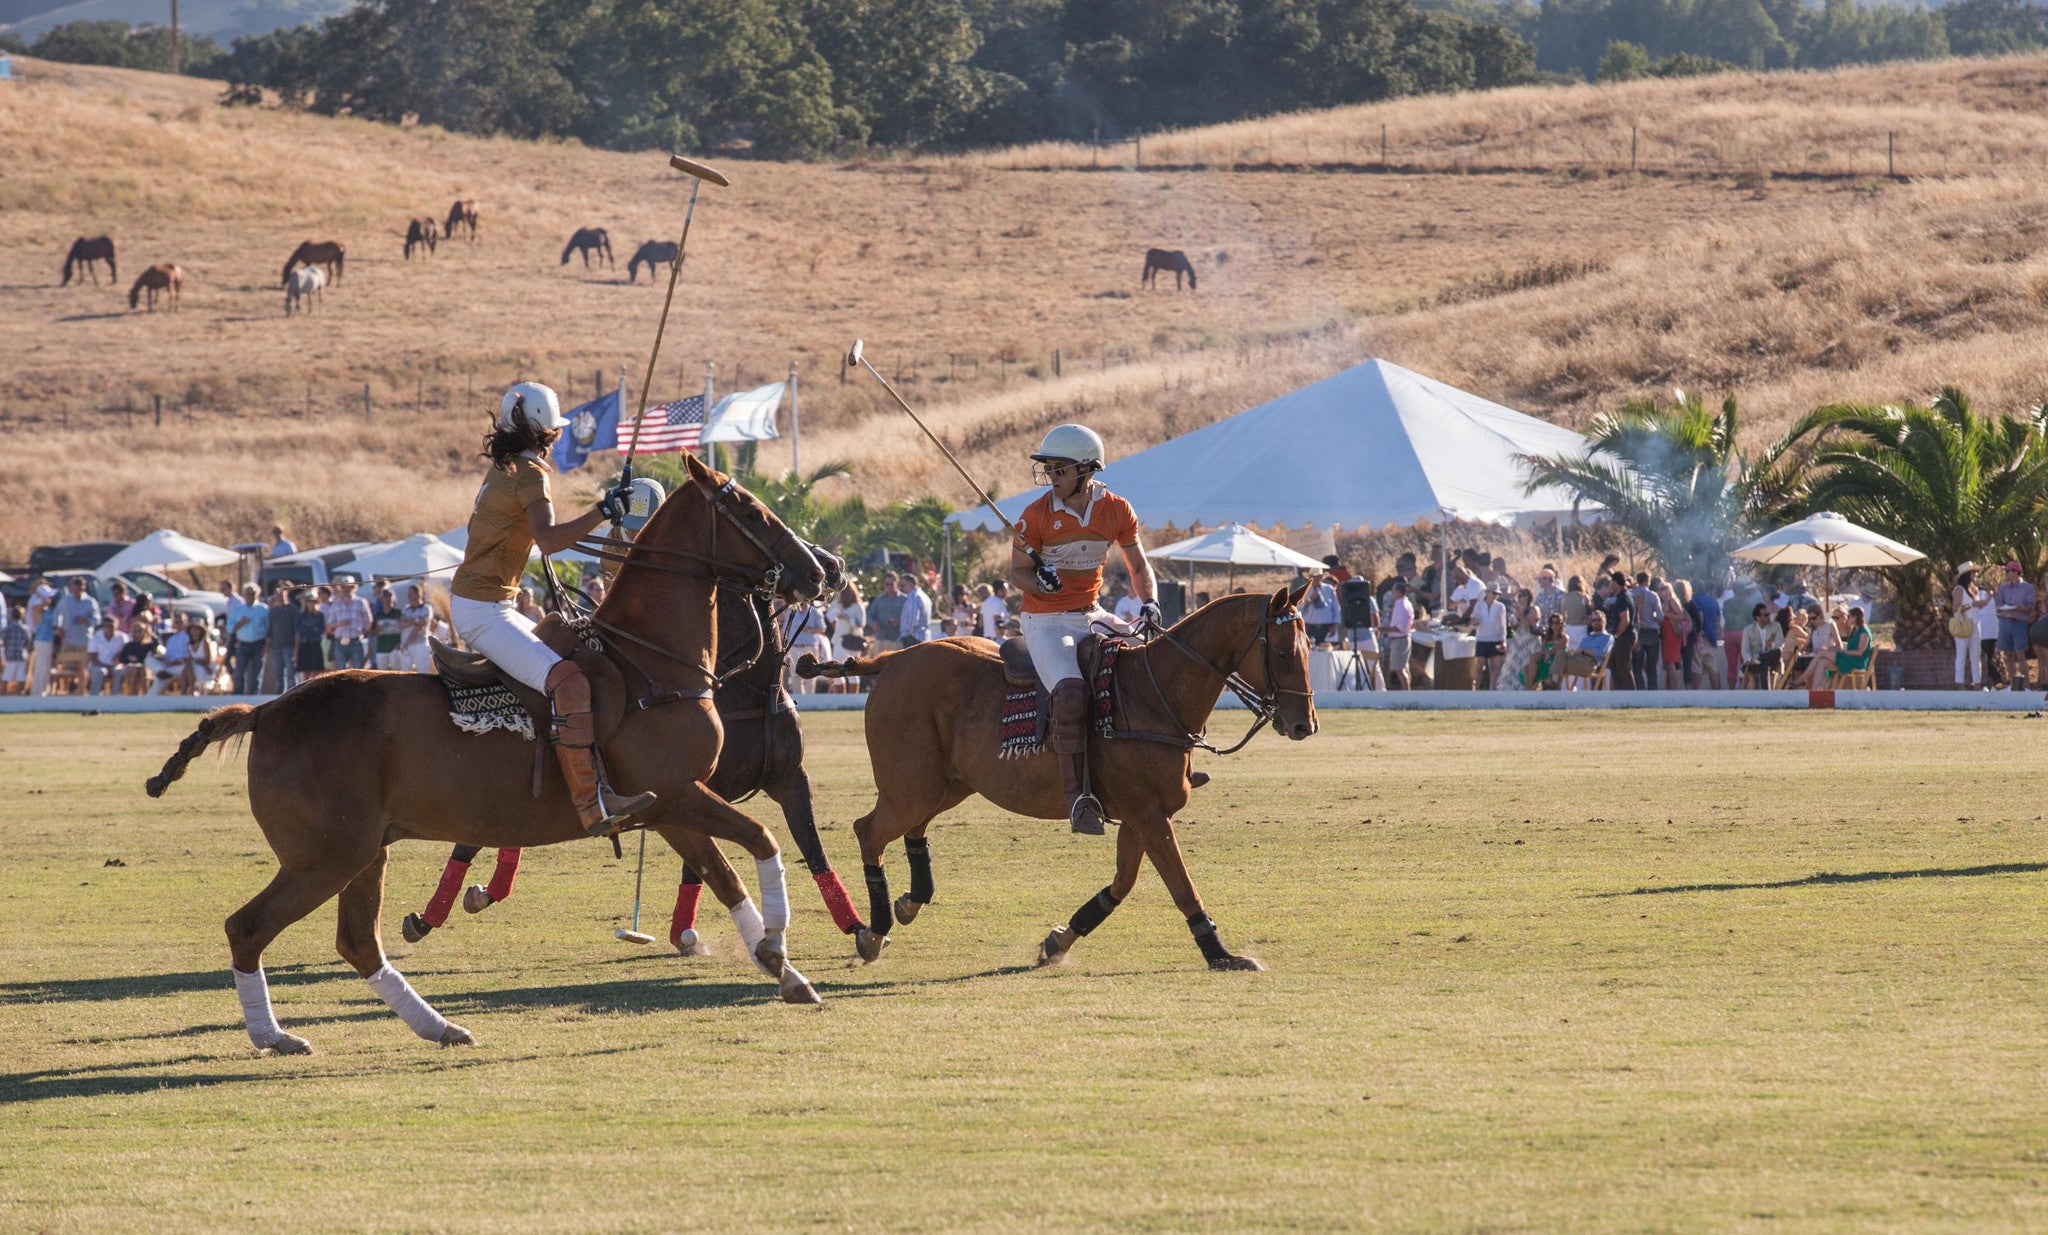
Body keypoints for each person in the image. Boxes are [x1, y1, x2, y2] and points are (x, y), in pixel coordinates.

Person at [448, 381, 655, 837]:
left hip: (484, 601)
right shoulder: (529, 472)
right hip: (485, 610)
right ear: (547, 431)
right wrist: (603, 511)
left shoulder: (506, 466)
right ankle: (591, 803)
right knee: (569, 679)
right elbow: (549, 541)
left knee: (563, 640)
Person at [1010, 423, 1159, 834]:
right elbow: (1017, 573)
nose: (1052, 477)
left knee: (1155, 662)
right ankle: (1078, 798)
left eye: (1060, 469)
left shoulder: (1117, 510)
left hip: (1091, 613)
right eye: (1049, 469)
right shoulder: (1034, 516)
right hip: (1045, 620)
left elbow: (1139, 566)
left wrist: (1149, 602)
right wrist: (1039, 581)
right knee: (1072, 692)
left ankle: (1166, 767)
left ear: (1087, 470)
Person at [53, 575, 101, 693]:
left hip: (83, 640)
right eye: (73, 589)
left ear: (83, 588)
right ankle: (65, 691)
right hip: (68, 639)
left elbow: (97, 620)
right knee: (66, 667)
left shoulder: (90, 602)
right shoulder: (65, 600)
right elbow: (57, 615)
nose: (75, 592)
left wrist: (86, 620)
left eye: (78, 589)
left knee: (82, 668)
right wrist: (59, 629)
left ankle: (81, 691)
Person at [1994, 561, 2036, 689]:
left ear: (2016, 572)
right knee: (2008, 655)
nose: (2006, 573)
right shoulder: (2003, 588)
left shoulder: (2027, 588)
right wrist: (2003, 608)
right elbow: (1998, 604)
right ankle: (2013, 685)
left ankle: (2026, 685)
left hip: (2019, 623)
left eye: (2008, 571)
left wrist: (2020, 608)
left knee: (2020, 654)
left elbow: (2030, 606)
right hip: (2005, 622)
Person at [323, 578, 374, 671]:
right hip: (340, 642)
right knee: (341, 671)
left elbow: (369, 621)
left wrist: (363, 632)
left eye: (349, 586)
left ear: (354, 587)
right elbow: (329, 624)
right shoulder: (336, 604)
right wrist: (339, 624)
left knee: (358, 671)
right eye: (344, 587)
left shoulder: (361, 602)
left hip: (356, 641)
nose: (346, 589)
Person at [227, 583, 269, 694]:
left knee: (256, 673)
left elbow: (268, 628)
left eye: (252, 594)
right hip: (243, 644)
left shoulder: (263, 609)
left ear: (257, 595)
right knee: (239, 672)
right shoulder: (238, 609)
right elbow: (230, 628)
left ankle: (254, 696)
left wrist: (267, 645)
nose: (250, 596)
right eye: (248, 594)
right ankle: (238, 694)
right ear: (244, 595)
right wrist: (240, 623)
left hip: (258, 644)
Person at [1499, 587, 1542, 690]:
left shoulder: (1534, 609)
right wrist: (1513, 623)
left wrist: (1519, 613)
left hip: (1530, 641)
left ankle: (1526, 687)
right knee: (1511, 663)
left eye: (1521, 596)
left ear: (1527, 597)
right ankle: (1509, 687)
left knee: (1526, 664)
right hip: (1518, 640)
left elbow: (1527, 624)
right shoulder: (1519, 609)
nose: (1519, 598)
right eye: (1518, 596)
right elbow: (1516, 626)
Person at [1471, 581, 1508, 688]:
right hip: (1482, 639)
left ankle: (1492, 689)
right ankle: (1476, 689)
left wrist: (1503, 640)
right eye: (1493, 593)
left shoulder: (1500, 606)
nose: (1495, 596)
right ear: (1487, 593)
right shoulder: (1479, 605)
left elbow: (1502, 624)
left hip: (1495, 639)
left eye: (1497, 594)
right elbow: (1474, 621)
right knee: (1479, 666)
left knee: (1494, 667)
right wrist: (1474, 622)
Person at [1691, 579, 1725, 689]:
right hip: (1712, 636)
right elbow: (1718, 618)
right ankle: (1717, 694)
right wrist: (1717, 629)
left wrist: (1699, 630)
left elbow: (1700, 615)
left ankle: (1693, 695)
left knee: (1697, 667)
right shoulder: (1712, 600)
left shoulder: (1694, 599)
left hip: (1700, 637)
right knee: (1713, 668)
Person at [1739, 602, 1783, 688]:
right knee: (1764, 664)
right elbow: (1745, 649)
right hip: (1756, 662)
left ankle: (1755, 660)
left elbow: (1780, 641)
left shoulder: (1776, 626)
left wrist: (1772, 645)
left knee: (1778, 651)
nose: (1768, 617)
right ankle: (1765, 693)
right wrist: (1749, 659)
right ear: (1757, 617)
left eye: (1769, 614)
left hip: (1772, 659)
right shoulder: (1748, 630)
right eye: (1766, 615)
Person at [263, 581, 296, 693]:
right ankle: (279, 695)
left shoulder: (292, 609)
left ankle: (292, 694)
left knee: (290, 674)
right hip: (275, 647)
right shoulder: (273, 611)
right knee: (278, 674)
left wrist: (296, 649)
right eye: (277, 592)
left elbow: (297, 632)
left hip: (288, 646)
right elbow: (269, 631)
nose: (280, 595)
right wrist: (267, 647)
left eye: (282, 592)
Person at [1381, 580, 1414, 691]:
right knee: (1403, 667)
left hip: (1400, 639)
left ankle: (1406, 692)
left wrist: (1382, 629)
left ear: (1399, 592)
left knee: (1399, 669)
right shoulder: (1404, 603)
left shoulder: (1401, 606)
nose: (1392, 593)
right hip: (1402, 639)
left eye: (1394, 591)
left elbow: (1400, 627)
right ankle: (1406, 690)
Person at [116, 619, 159, 694]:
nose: (138, 633)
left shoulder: (148, 645)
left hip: (145, 668)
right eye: (135, 630)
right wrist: (129, 658)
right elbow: (122, 659)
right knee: (134, 670)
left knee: (142, 671)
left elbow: (155, 649)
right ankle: (133, 694)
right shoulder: (128, 645)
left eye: (140, 630)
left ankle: (146, 695)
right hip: (130, 669)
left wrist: (150, 634)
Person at [398, 585, 434, 673]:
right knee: (404, 673)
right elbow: (400, 624)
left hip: (419, 644)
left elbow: (421, 625)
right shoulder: (406, 609)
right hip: (406, 645)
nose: (408, 596)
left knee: (423, 672)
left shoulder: (426, 608)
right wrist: (416, 620)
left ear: (418, 595)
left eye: (410, 594)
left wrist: (408, 641)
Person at [868, 571, 905, 653]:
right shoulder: (879, 600)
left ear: (897, 583)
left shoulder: (904, 600)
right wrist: (873, 623)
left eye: (891, 584)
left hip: (896, 640)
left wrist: (900, 622)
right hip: (881, 639)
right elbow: (870, 615)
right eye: (886, 584)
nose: (889, 586)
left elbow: (910, 619)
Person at [827, 581, 867, 657]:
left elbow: (862, 624)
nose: (838, 594)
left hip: (852, 640)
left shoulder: (857, 606)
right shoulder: (837, 604)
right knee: (838, 663)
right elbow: (830, 616)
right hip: (839, 639)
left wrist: (847, 618)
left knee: (851, 665)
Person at [1300, 570, 1339, 646]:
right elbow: (1298, 608)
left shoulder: (1329, 589)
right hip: (1309, 625)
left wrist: (1334, 625)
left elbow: (1336, 608)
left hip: (1325, 626)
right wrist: (1310, 599)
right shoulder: (1304, 590)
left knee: (1323, 649)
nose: (1315, 579)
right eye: (1313, 577)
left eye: (1317, 577)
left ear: (1321, 577)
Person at [897, 574, 932, 646]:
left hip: (913, 638)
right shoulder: (924, 596)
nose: (901, 588)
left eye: (903, 585)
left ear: (911, 584)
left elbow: (913, 619)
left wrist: (905, 633)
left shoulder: (913, 597)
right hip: (924, 637)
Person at [1, 605, 27, 695]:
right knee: (21, 677)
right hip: (21, 655)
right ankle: (18, 695)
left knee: (6, 676)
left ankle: (3, 695)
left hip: (10, 655)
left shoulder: (7, 629)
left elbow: (4, 641)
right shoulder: (25, 629)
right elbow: (28, 643)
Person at [1560, 575, 1590, 649]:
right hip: (1582, 628)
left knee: (1570, 651)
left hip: (1569, 628)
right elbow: (1591, 610)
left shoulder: (1564, 597)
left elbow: (1562, 616)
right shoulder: (1584, 597)